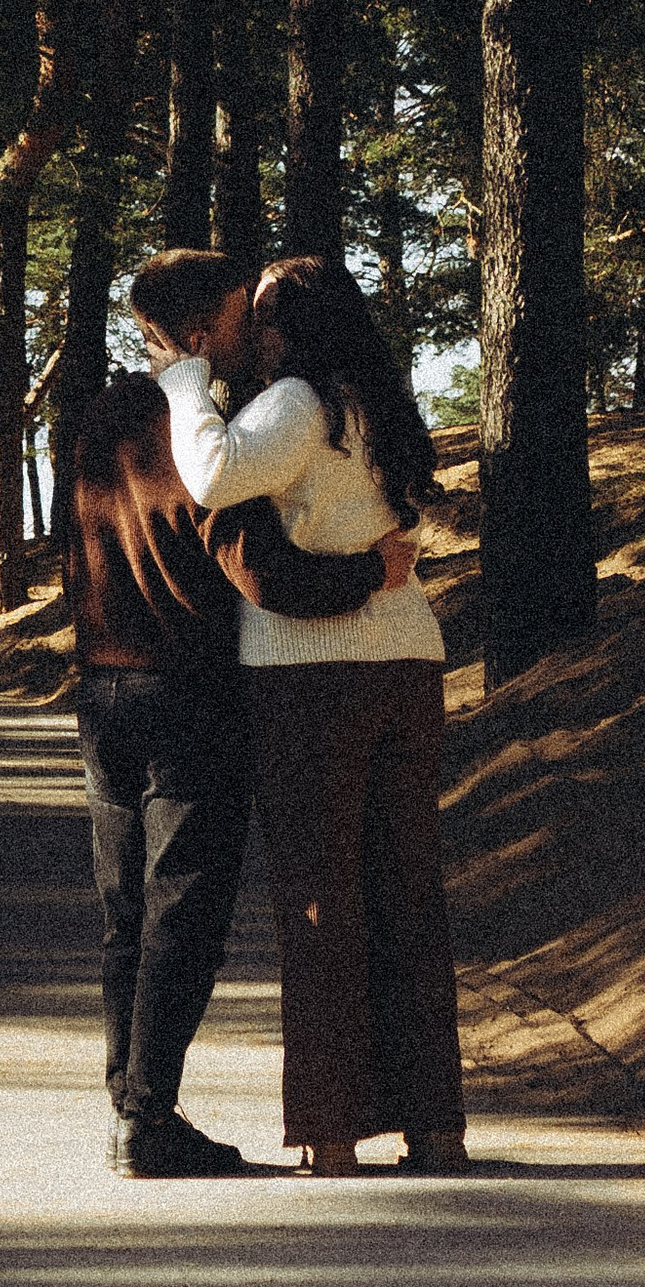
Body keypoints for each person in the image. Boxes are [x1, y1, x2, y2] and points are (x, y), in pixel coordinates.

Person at [67, 248, 420, 1178]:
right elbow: (262, 572)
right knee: (183, 912)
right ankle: (147, 1118)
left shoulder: (101, 418)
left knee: (122, 912)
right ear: (196, 337)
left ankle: (127, 1106)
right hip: (191, 692)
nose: (250, 337)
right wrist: (372, 571)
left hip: (101, 687)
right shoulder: (204, 433)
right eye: (235, 319)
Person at [154, 251, 467, 1177]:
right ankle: (435, 1127)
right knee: (408, 895)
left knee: (322, 903)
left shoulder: (297, 404)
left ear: (283, 326)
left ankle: (333, 1134)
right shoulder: (381, 407)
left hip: (309, 674)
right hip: (408, 661)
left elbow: (211, 476)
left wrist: (181, 379)